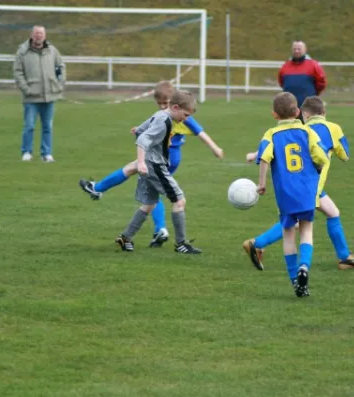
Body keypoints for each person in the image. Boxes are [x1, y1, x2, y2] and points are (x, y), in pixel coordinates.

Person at [79, 81, 224, 247]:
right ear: (176, 107)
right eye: (161, 103)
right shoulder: (165, 119)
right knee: (174, 200)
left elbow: (200, 133)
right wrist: (141, 148)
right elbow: (143, 136)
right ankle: (178, 242)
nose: (163, 106)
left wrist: (215, 148)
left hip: (160, 160)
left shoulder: (177, 118)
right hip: (158, 162)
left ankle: (104, 197)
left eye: (166, 103)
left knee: (144, 190)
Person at [243, 96, 354, 271]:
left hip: (298, 183)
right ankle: (258, 244)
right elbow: (345, 156)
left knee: (332, 212)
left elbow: (278, 144)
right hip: (310, 184)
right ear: (324, 112)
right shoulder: (332, 128)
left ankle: (344, 257)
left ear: (304, 114)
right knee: (297, 223)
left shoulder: (302, 129)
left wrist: (254, 154)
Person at [249, 92, 329, 297]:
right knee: (307, 231)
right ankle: (305, 266)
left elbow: (264, 158)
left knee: (288, 235)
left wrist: (262, 183)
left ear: (274, 114)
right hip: (307, 190)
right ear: (298, 112)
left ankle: (295, 280)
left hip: (285, 193)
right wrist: (318, 168)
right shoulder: (308, 132)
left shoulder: (270, 135)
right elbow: (321, 156)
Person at [116, 90, 202, 255]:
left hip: (150, 164)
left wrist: (138, 130)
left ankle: (125, 237)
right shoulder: (164, 121)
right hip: (155, 165)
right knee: (179, 201)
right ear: (175, 107)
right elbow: (142, 140)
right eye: (185, 115)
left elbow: (141, 130)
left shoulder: (160, 114)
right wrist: (141, 162)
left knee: (149, 204)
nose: (185, 119)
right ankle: (181, 244)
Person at [13, 25, 63, 162]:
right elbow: (17, 72)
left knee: (47, 126)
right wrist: (26, 89)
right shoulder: (22, 51)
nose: (38, 36)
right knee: (29, 126)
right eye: (36, 33)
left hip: (49, 96)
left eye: (41, 33)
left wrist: (59, 85)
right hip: (31, 97)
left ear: (45, 35)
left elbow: (61, 67)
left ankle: (46, 153)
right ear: (31, 35)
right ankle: (26, 152)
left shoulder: (52, 51)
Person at [277, 41, 326, 123]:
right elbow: (281, 82)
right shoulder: (286, 66)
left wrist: (312, 94)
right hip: (289, 107)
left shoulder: (313, 65)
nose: (296, 51)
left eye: (299, 49)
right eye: (294, 49)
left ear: (305, 50)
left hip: (308, 108)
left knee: (309, 130)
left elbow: (321, 82)